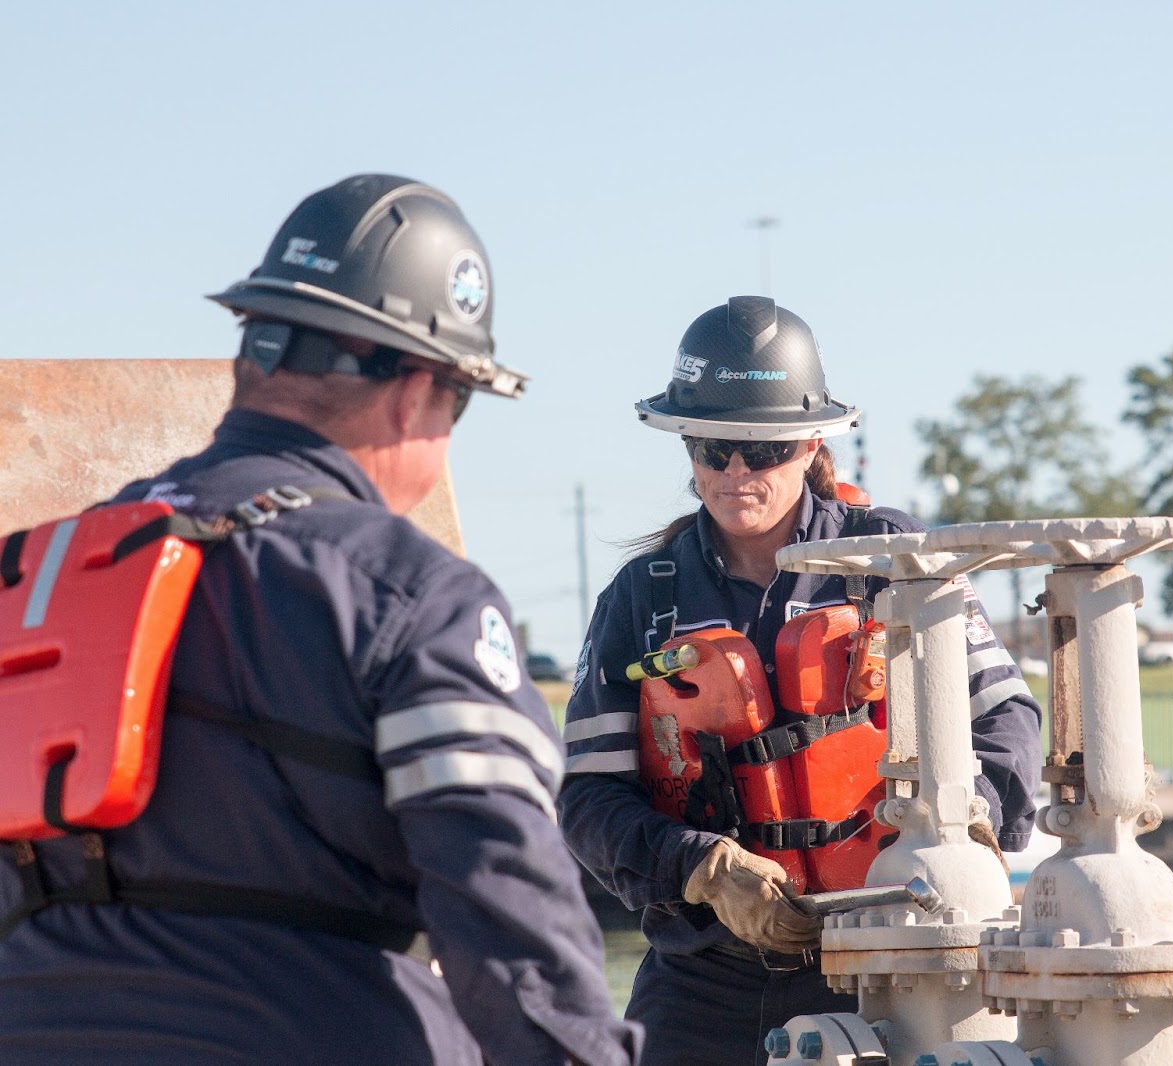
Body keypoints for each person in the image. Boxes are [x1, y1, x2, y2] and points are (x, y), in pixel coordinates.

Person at [0, 174, 641, 1066]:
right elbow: (518, 941)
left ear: (252, 355)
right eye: (460, 403)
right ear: (417, 393)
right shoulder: (412, 596)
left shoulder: (36, 577)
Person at [559, 296, 1043, 1066]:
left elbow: (1007, 719)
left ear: (811, 442)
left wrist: (966, 821)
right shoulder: (641, 600)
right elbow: (587, 799)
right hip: (704, 978)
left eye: (764, 450)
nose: (735, 472)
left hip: (890, 965)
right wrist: (704, 869)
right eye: (713, 448)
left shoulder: (896, 559)